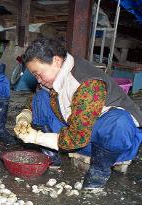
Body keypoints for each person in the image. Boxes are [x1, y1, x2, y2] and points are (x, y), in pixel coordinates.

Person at [14, 37, 142, 190]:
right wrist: (25, 115)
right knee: (40, 98)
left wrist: (37, 137)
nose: (39, 80)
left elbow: (78, 137)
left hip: (110, 145)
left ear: (56, 60)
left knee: (119, 121)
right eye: (35, 76)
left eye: (39, 74)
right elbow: (36, 100)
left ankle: (99, 171)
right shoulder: (55, 77)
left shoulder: (88, 84)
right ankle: (51, 156)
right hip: (80, 139)